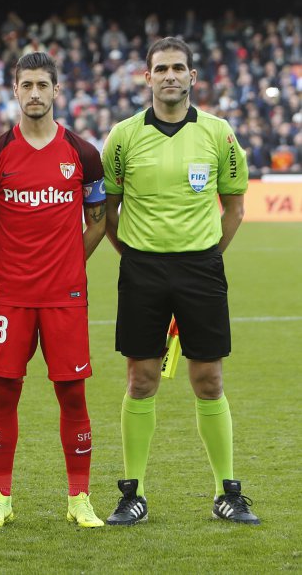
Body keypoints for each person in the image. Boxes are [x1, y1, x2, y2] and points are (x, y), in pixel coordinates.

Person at [101, 37, 259, 525]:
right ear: (147, 78)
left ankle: (226, 492)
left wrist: (209, 255)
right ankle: (134, 493)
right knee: (141, 379)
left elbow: (234, 206)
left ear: (193, 77)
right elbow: (108, 208)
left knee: (208, 379)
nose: (170, 75)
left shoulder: (218, 133)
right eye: (161, 68)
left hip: (200, 269)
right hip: (142, 268)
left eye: (179, 68)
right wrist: (133, 254)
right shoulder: (123, 137)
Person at [0, 52, 107, 529]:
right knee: (4, 391)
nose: (34, 93)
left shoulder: (84, 154)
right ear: (14, 90)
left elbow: (98, 218)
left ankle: (79, 498)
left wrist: (71, 262)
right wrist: (9, 265)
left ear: (56, 91)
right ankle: (0, 498)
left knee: (72, 394)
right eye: (25, 84)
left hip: (64, 295)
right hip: (10, 294)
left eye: (41, 85)